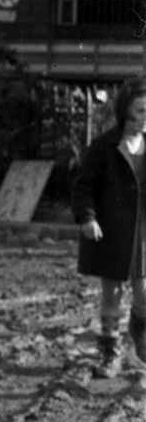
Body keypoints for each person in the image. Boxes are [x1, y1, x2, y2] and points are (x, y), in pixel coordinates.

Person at [69, 77, 146, 377]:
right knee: (112, 293)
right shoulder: (103, 147)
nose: (145, 117)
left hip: (143, 233)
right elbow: (83, 186)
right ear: (124, 111)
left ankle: (139, 335)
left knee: (144, 293)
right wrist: (88, 217)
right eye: (140, 110)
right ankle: (109, 354)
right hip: (112, 231)